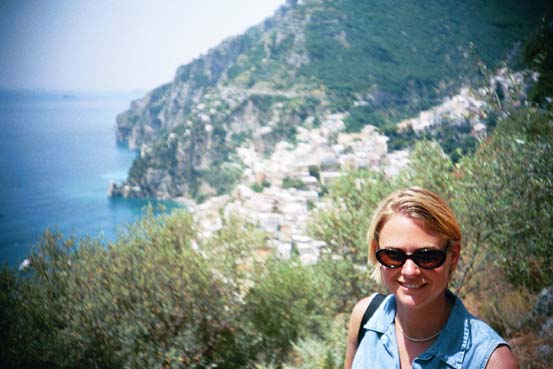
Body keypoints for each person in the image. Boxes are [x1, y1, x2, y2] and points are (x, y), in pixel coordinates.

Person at [344, 187, 518, 369]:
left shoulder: (491, 361)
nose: (410, 271)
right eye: (393, 255)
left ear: (454, 256)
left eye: (427, 257)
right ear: (375, 251)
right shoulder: (364, 319)